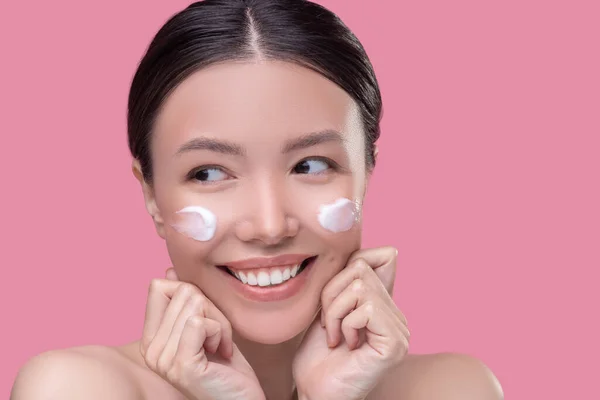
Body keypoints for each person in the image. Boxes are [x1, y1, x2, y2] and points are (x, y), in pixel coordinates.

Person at [11, 1, 503, 399]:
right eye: (208, 173)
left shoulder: (452, 390)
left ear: (367, 172)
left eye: (310, 165)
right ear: (151, 195)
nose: (269, 225)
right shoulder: (77, 389)